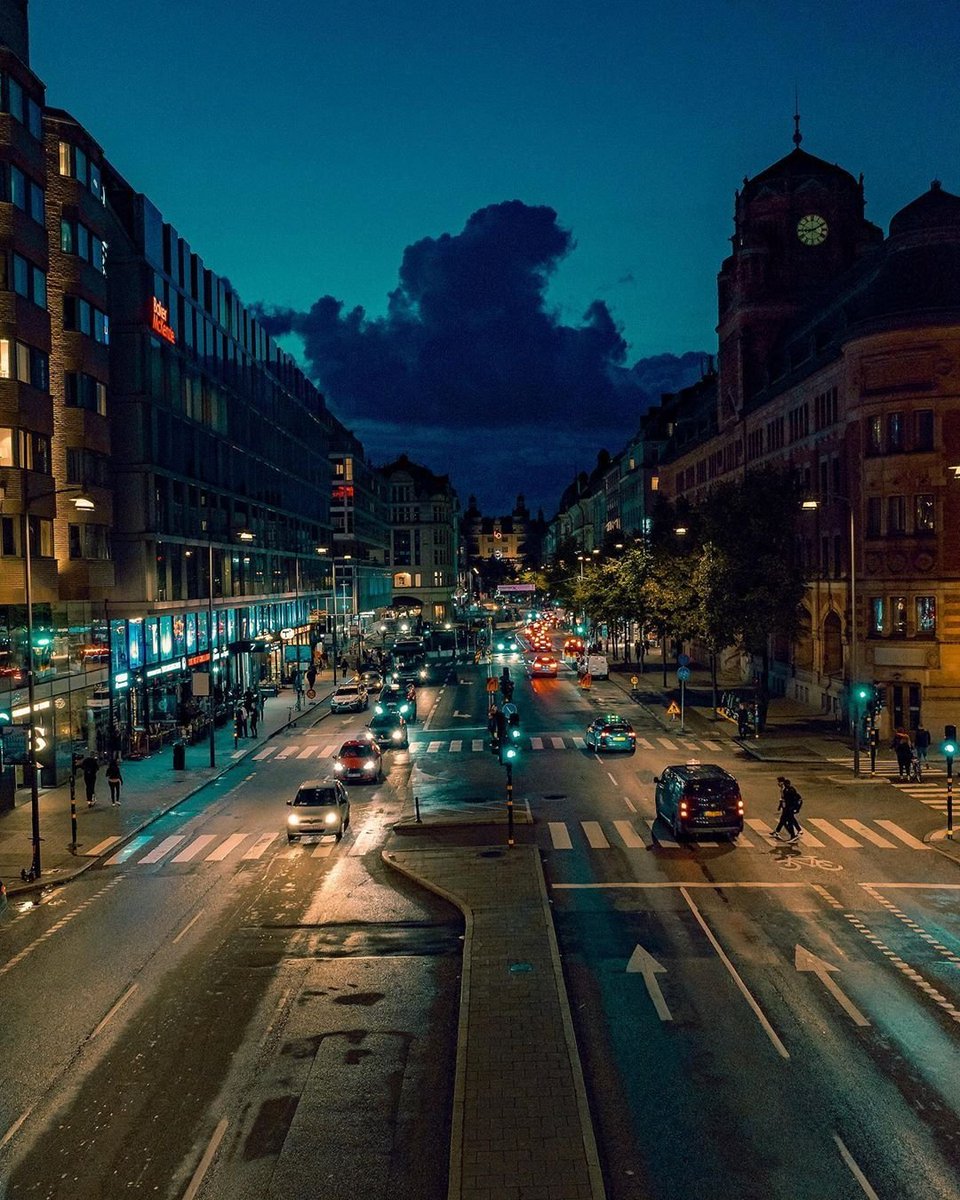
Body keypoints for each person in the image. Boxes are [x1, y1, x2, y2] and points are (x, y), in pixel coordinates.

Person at [772, 776, 803, 841]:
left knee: (788, 821)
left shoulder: (789, 790)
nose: (778, 783)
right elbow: (783, 799)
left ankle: (794, 835)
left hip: (789, 808)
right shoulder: (785, 789)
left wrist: (796, 808)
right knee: (785, 820)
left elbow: (795, 799)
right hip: (787, 808)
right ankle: (779, 832)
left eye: (779, 782)